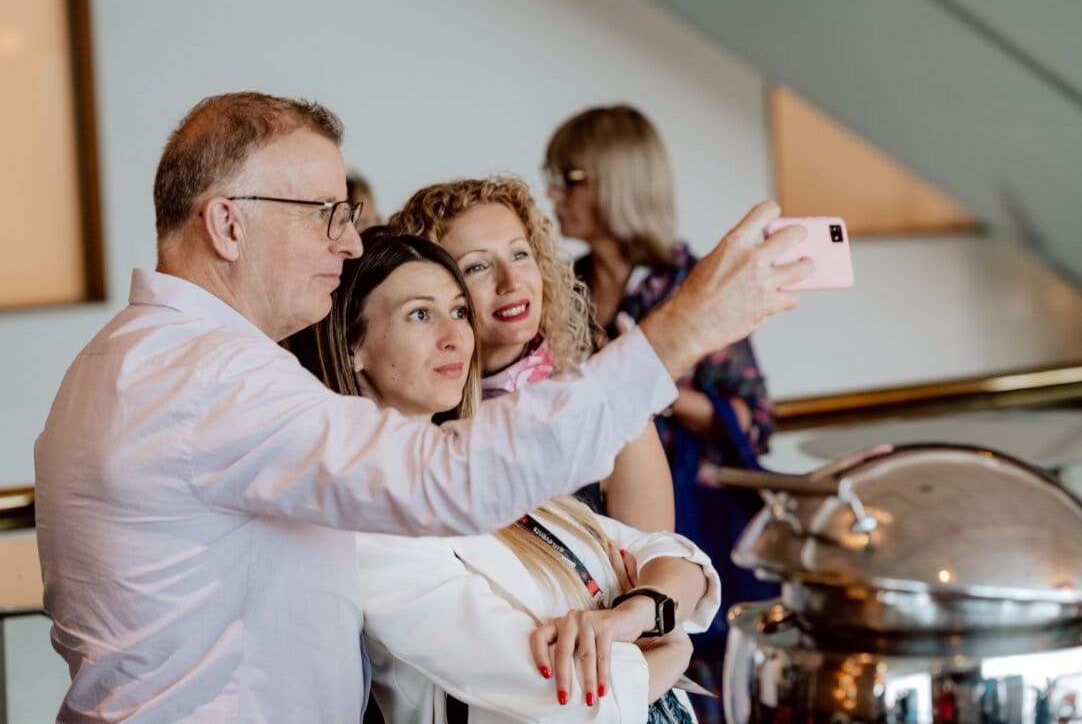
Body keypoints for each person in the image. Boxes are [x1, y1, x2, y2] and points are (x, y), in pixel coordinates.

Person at [34, 91, 811, 722]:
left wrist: (644, 615)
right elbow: (450, 483)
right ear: (228, 223)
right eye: (324, 215)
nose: (346, 244)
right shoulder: (210, 379)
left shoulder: (122, 359)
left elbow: (660, 557)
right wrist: (686, 330)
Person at [290, 229, 718, 722]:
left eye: (458, 312)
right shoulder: (370, 523)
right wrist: (670, 649)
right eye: (420, 314)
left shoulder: (485, 467)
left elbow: (678, 558)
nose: (454, 337)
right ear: (351, 346)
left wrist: (635, 613)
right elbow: (561, 689)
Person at [544, 104, 778, 718]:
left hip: (693, 516)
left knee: (701, 675)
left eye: (569, 178)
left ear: (615, 180)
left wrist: (651, 381)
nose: (552, 194)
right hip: (599, 522)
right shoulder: (561, 285)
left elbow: (755, 417)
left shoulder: (691, 284)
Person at [390, 176, 673, 531]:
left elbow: (662, 561)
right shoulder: (417, 429)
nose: (511, 282)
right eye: (478, 266)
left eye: (519, 254)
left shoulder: (604, 408)